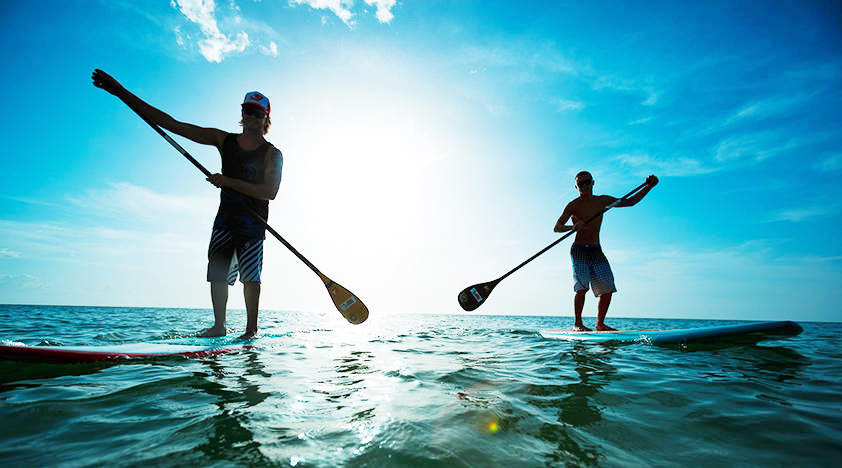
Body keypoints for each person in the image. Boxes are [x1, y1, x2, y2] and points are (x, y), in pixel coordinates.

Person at [92, 69, 283, 339]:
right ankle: (219, 326)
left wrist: (227, 182)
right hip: (225, 220)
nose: (251, 117)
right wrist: (120, 92)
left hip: (253, 224)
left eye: (257, 113)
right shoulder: (223, 140)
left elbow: (269, 192)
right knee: (216, 273)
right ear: (243, 114)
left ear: (266, 118)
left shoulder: (273, 154)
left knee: (251, 277)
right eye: (247, 111)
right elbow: (172, 123)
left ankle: (251, 330)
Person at [554, 172, 658, 331]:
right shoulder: (573, 205)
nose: (584, 186)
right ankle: (578, 324)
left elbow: (630, 202)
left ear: (593, 183)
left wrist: (649, 186)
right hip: (579, 249)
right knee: (582, 288)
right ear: (576, 187)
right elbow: (557, 227)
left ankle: (600, 324)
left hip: (596, 249)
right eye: (580, 184)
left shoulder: (602, 201)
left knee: (607, 287)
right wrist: (573, 227)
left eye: (587, 182)